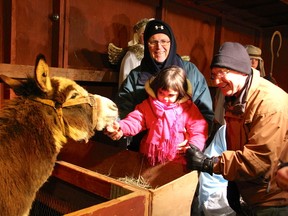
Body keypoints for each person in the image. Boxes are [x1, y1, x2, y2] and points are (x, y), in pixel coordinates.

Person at [185, 42, 288, 215]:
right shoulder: (236, 96)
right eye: (213, 75)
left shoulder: (269, 103)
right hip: (252, 192)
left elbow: (258, 160)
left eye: (222, 73)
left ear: (241, 71)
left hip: (273, 199)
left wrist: (210, 164)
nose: (217, 81)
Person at [115, 19, 214, 151]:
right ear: (146, 44)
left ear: (171, 43)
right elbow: (123, 110)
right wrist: (120, 129)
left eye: (164, 41)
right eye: (153, 42)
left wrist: (194, 143)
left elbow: (204, 113)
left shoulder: (190, 72)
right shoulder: (136, 75)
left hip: (182, 151)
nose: (159, 47)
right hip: (144, 150)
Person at [105, 65, 208, 165]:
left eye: (171, 95)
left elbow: (199, 129)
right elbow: (135, 120)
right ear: (156, 90)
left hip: (178, 159)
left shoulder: (188, 108)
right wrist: (121, 127)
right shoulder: (148, 105)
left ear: (180, 94)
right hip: (150, 159)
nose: (165, 98)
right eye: (161, 93)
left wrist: (193, 147)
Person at [119, 18, 152, 88]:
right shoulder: (132, 55)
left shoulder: (153, 53)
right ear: (138, 36)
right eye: (143, 34)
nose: (147, 36)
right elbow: (126, 79)